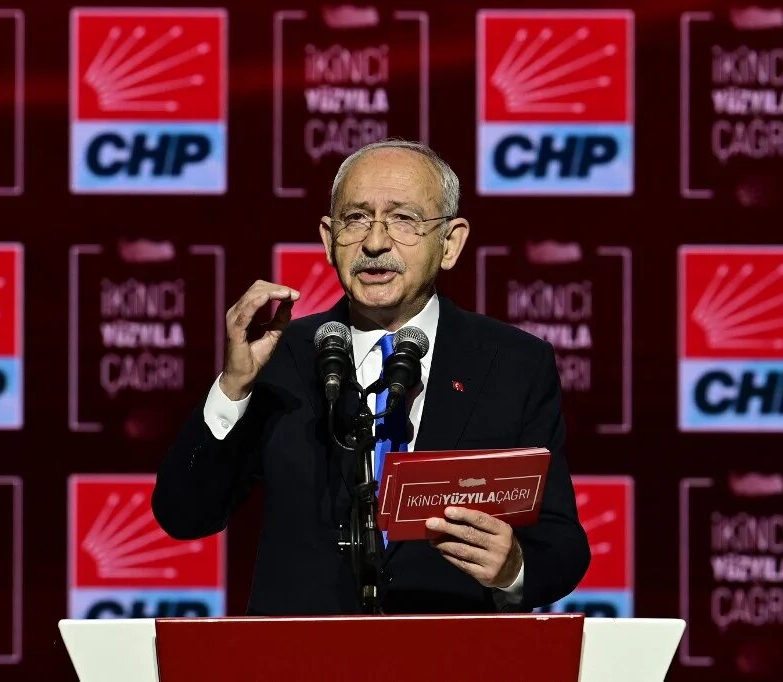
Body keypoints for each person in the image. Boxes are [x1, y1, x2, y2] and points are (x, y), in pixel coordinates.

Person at [152, 140, 589, 615]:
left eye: (403, 219)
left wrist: (513, 569)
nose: (375, 243)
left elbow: (561, 543)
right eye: (356, 219)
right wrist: (232, 389)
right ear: (327, 238)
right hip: (302, 663)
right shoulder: (280, 356)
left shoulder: (513, 363)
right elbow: (185, 514)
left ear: (451, 242)